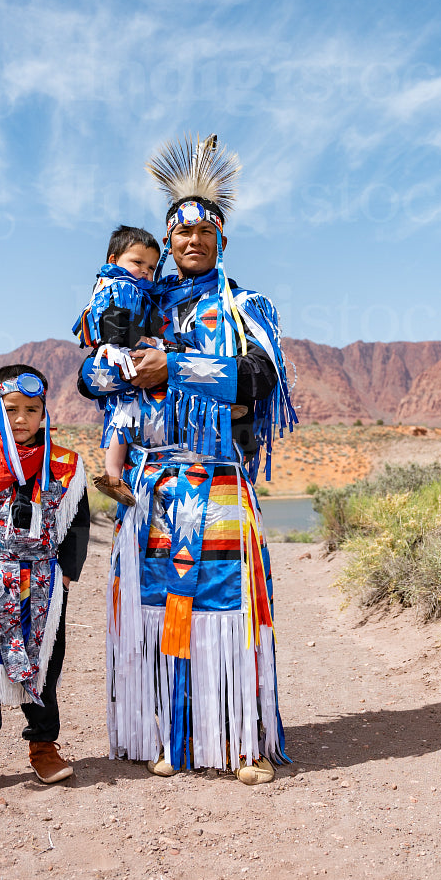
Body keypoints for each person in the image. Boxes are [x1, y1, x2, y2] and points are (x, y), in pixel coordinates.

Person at [77, 133, 298, 785]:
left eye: (205, 230)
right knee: (159, 615)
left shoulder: (244, 305)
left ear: (222, 239)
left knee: (225, 611)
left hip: (221, 480)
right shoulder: (142, 300)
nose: (192, 241)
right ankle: (167, 735)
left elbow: (261, 376)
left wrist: (176, 367)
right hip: (152, 488)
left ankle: (239, 741)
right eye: (181, 233)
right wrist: (112, 368)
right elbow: (91, 377)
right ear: (167, 242)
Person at [0, 364, 89, 800]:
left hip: (45, 585)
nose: (22, 418)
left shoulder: (66, 466)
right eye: (12, 410)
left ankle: (43, 747)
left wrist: (65, 574)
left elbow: (77, 524)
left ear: (45, 412)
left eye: (32, 409)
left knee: (43, 670)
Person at [72, 225, 162, 508]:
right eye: (137, 262)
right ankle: (112, 478)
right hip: (118, 354)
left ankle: (113, 477)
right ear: (114, 260)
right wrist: (148, 342)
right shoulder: (120, 287)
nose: (145, 271)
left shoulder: (129, 288)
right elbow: (116, 327)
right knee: (173, 363)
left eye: (151, 266)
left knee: (121, 419)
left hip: (119, 354)